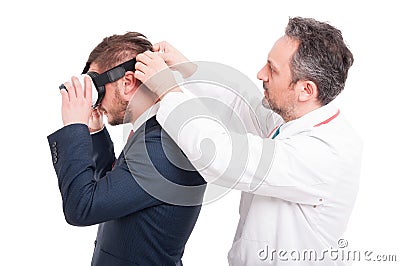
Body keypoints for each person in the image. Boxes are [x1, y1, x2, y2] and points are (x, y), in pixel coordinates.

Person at [134, 17, 363, 265]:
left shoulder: (325, 153)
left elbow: (223, 157)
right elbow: (244, 105)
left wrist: (167, 91)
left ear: (306, 90)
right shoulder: (295, 118)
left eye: (272, 69)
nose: (260, 74)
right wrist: (186, 69)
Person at [47, 32, 209, 266]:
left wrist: (74, 127)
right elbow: (109, 191)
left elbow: (81, 207)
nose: (96, 100)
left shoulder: (162, 147)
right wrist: (95, 133)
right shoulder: (152, 133)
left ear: (127, 83)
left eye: (97, 88)